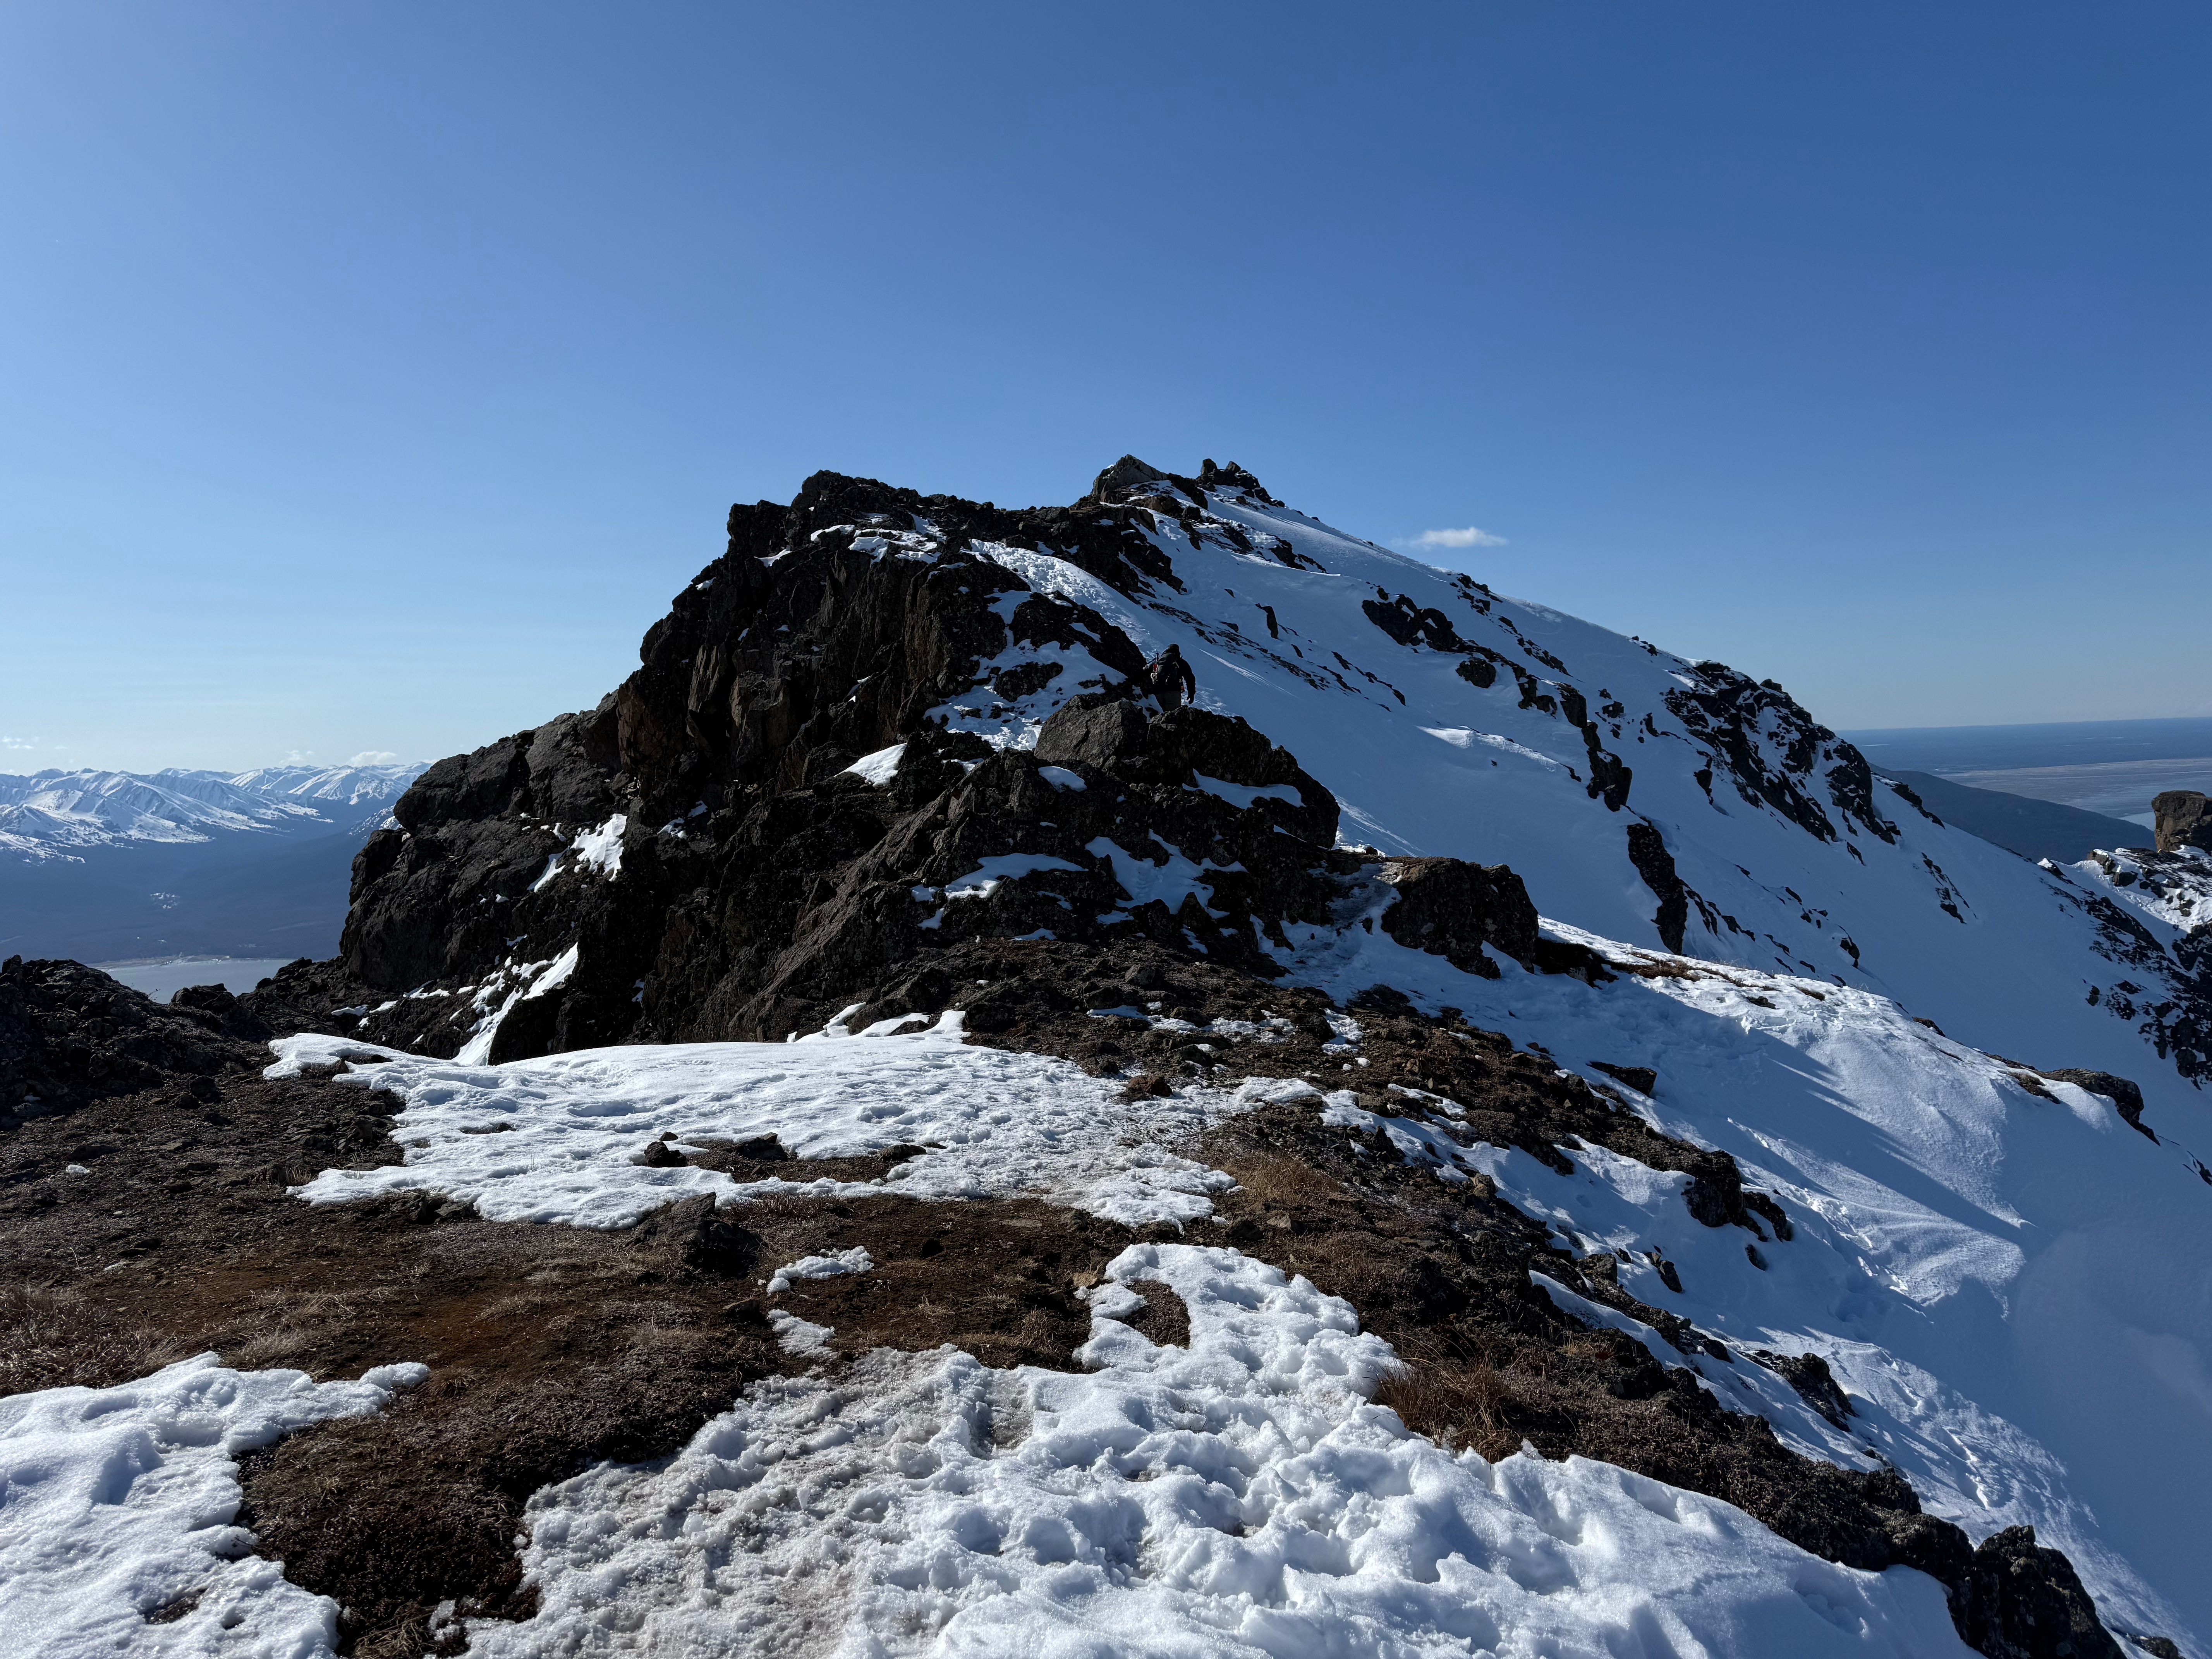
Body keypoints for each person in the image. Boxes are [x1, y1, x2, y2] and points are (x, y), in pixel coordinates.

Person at [1147, 643, 1197, 711]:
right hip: (1174, 692)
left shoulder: (1158, 660)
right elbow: (1190, 679)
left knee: (1159, 714)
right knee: (1172, 716)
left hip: (1157, 691)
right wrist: (1192, 694)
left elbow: (1144, 671)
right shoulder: (1181, 662)